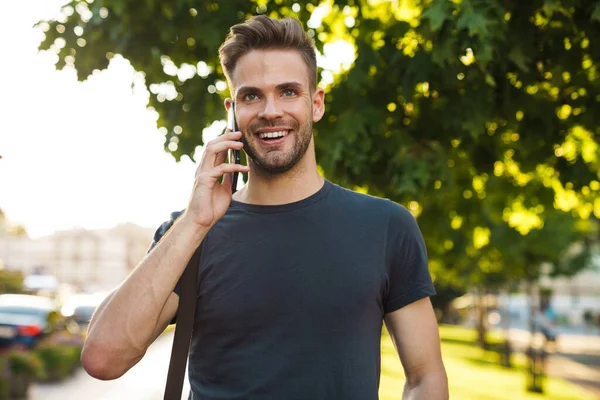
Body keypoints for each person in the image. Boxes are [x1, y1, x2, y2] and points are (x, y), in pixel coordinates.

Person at [81, 15, 448, 399]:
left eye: (288, 91)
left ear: (316, 103)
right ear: (232, 110)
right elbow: (103, 359)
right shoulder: (190, 234)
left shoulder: (385, 226)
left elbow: (425, 378)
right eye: (251, 95)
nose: (270, 110)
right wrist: (194, 221)